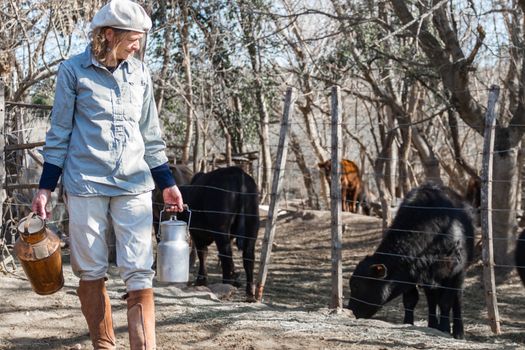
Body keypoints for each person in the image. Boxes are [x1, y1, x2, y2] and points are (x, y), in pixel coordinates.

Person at [31, 0, 183, 349]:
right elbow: (59, 134)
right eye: (133, 38)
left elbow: (151, 134)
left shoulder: (140, 73)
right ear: (109, 34)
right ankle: (104, 345)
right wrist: (45, 189)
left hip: (134, 183)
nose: (137, 46)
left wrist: (168, 184)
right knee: (91, 268)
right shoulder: (73, 71)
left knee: (139, 268)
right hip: (86, 183)